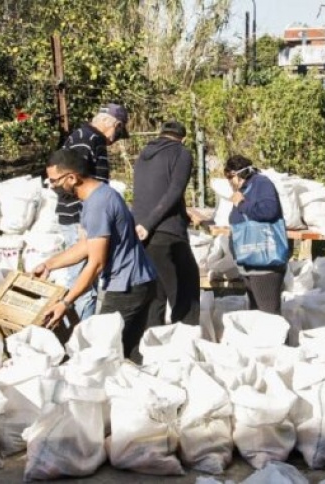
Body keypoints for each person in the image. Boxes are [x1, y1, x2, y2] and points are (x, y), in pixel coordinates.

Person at [34, 148, 156, 358]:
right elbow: (86, 246)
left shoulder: (98, 204)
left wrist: (65, 302)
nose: (52, 186)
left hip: (127, 288)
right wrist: (49, 264)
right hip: (139, 281)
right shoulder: (100, 195)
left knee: (103, 353)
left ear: (71, 178)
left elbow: (96, 263)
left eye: (54, 181)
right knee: (129, 351)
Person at [57, 103, 130, 321]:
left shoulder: (85, 136)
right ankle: (82, 337)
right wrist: (83, 222)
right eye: (118, 133)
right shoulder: (88, 139)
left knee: (86, 277)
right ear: (114, 125)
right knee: (84, 281)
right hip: (81, 219)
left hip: (85, 217)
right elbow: (73, 180)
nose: (114, 140)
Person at [133, 120, 200, 327]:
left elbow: (154, 192)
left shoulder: (143, 155)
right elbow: (174, 191)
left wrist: (144, 224)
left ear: (161, 134)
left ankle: (152, 344)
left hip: (142, 232)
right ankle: (186, 339)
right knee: (186, 288)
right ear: (183, 138)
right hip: (167, 232)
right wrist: (151, 223)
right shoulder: (181, 153)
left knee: (157, 293)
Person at [225, 155, 287, 315]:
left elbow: (269, 210)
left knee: (269, 315)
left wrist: (242, 204)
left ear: (238, 174)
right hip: (249, 263)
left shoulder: (261, 184)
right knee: (257, 316)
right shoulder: (246, 188)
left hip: (264, 265)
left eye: (230, 177)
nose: (229, 182)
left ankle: (278, 341)